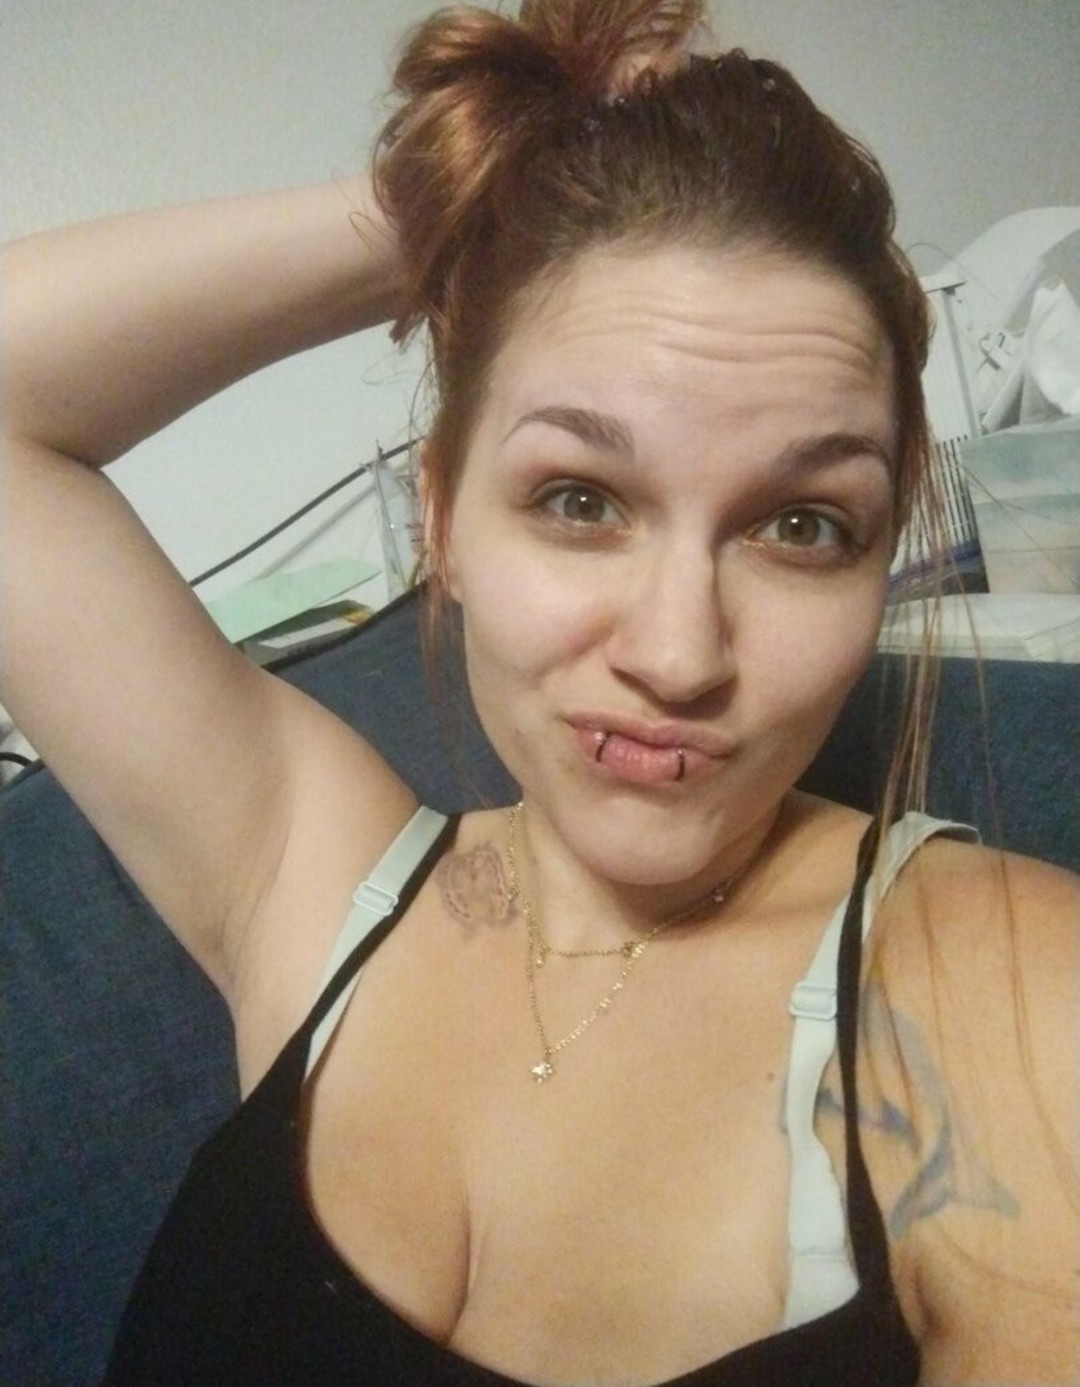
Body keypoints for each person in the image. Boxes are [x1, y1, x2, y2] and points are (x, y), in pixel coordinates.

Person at [2, 0, 1076, 1382]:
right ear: (443, 518)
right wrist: (466, 184)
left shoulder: (1011, 994)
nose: (679, 656)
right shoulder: (314, 886)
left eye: (803, 526)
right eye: (581, 499)